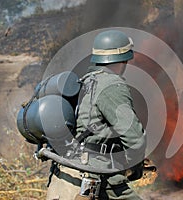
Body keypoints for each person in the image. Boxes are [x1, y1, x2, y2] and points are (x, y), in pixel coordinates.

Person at [47, 30, 146, 200]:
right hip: (94, 177)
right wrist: (133, 165)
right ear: (123, 59)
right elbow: (135, 139)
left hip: (64, 174)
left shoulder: (86, 81)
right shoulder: (112, 85)